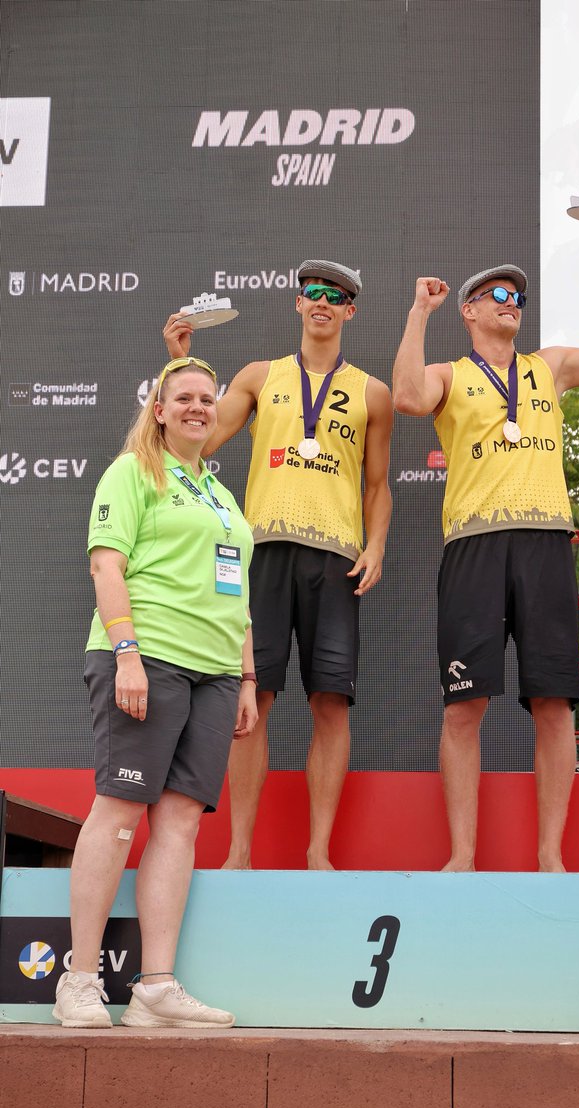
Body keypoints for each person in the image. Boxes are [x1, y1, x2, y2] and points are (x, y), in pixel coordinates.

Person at [392, 222, 579, 870]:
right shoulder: (450, 375)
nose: (511, 303)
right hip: (474, 548)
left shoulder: (551, 367)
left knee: (553, 703)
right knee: (464, 705)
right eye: (498, 294)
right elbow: (404, 396)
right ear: (471, 310)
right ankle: (461, 855)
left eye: (518, 297)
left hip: (543, 545)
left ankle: (550, 856)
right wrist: (418, 312)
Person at [163, 260, 392, 870]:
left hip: (337, 558)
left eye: (336, 295)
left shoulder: (373, 392)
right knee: (251, 699)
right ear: (297, 304)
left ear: (350, 311)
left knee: (330, 704)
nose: (322, 301)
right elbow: (196, 443)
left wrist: (377, 545)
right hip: (261, 553)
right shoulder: (260, 377)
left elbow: (377, 484)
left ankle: (318, 851)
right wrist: (180, 365)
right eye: (313, 292)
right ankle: (239, 850)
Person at [53, 356, 257, 1029]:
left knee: (179, 823)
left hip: (216, 672)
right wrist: (127, 654)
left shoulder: (222, 497)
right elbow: (105, 566)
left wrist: (247, 676)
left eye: (209, 398)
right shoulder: (133, 471)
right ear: (161, 410)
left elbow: (239, 595)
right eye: (186, 398)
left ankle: (155, 988)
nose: (199, 407)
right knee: (118, 812)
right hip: (148, 658)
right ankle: (79, 979)